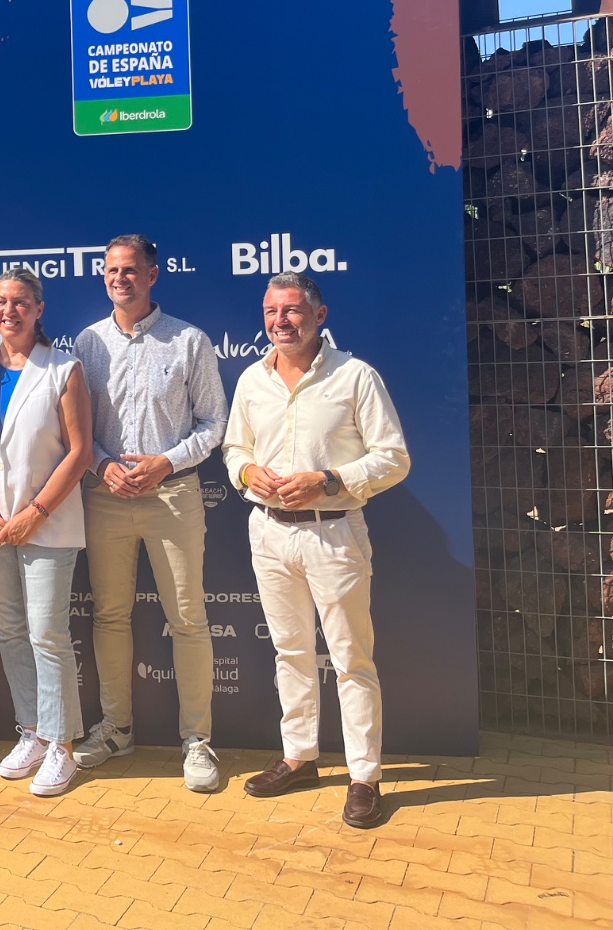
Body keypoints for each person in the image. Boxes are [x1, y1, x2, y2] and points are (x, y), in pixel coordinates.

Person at [223, 272, 410, 829]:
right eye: (271, 311)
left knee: (351, 658)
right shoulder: (251, 380)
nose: (280, 321)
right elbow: (234, 448)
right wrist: (247, 472)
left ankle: (364, 776)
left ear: (319, 316)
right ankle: (299, 757)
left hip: (334, 532)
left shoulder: (355, 376)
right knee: (290, 651)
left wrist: (328, 480)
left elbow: (393, 458)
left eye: (292, 310)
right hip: (269, 533)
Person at [72, 234, 228, 793]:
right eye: (112, 270)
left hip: (173, 496)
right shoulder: (88, 343)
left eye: (131, 270)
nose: (121, 278)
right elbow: (76, 427)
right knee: (109, 616)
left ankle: (197, 740)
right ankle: (116, 730)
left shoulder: (189, 340)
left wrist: (166, 462)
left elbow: (214, 422)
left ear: (153, 274)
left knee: (187, 620)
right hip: (105, 497)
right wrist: (101, 465)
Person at [0, 267, 93, 797]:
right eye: (0, 301)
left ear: (39, 309)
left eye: (19, 302)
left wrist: (36, 511)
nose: (8, 311)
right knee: (11, 631)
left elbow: (80, 452)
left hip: (48, 524)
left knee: (47, 634)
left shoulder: (64, 368)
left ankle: (63, 746)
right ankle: (32, 732)